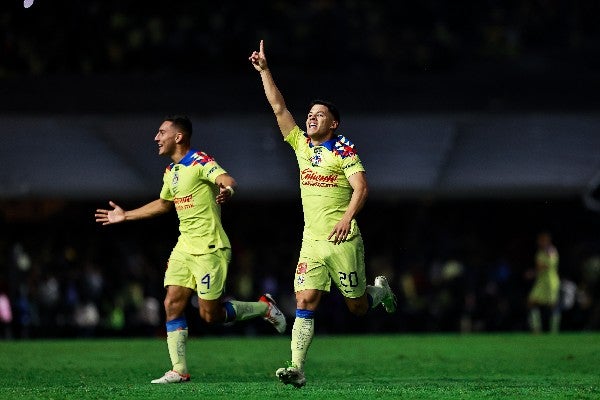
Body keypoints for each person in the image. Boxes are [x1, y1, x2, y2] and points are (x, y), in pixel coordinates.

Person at [94, 115, 286, 383]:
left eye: (162, 132)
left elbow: (227, 179)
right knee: (172, 303)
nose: (156, 138)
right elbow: (163, 204)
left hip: (211, 248)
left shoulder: (199, 161)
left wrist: (227, 191)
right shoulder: (171, 172)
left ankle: (263, 307)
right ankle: (179, 369)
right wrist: (125, 215)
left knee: (211, 315)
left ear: (178, 137)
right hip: (184, 247)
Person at [249, 40, 397, 388]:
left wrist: (346, 219)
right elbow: (278, 107)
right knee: (305, 299)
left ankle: (382, 293)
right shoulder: (301, 145)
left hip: (343, 239)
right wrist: (265, 71)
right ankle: (297, 369)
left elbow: (361, 187)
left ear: (333, 123)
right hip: (312, 241)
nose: (311, 116)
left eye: (319, 114)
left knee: (357, 307)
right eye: (310, 113)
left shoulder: (342, 148)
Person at [527, 231, 561, 333]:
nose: (539, 242)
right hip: (541, 281)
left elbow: (547, 265)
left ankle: (554, 330)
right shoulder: (541, 252)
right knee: (531, 302)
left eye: (541, 240)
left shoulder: (551, 251)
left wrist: (533, 272)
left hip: (550, 281)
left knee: (552, 305)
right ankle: (536, 329)